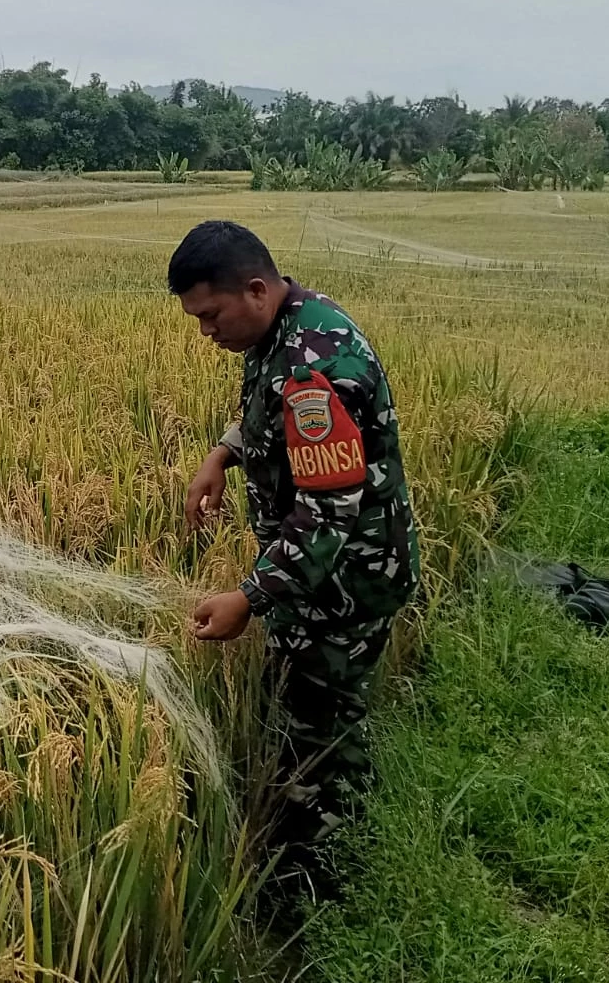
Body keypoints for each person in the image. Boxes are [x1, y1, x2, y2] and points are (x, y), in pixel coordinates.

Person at [170, 220, 420, 868]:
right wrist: (222, 453)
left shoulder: (314, 367)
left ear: (255, 290)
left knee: (323, 726)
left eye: (210, 314)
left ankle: (328, 870)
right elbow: (269, 414)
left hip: (345, 583)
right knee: (311, 711)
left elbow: (327, 515)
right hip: (321, 577)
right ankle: (322, 831)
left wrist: (247, 598)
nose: (205, 331)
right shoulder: (284, 325)